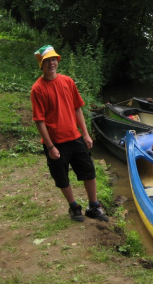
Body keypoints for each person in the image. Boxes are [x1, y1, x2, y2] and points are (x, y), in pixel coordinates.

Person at [30, 45, 108, 222]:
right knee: (61, 176)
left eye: (53, 59)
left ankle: (93, 206)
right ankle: (74, 207)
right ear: (41, 65)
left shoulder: (67, 82)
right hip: (55, 142)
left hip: (75, 137)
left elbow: (77, 109)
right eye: (47, 61)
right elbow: (39, 120)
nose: (51, 63)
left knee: (89, 171)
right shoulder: (38, 89)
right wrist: (50, 146)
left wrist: (86, 134)